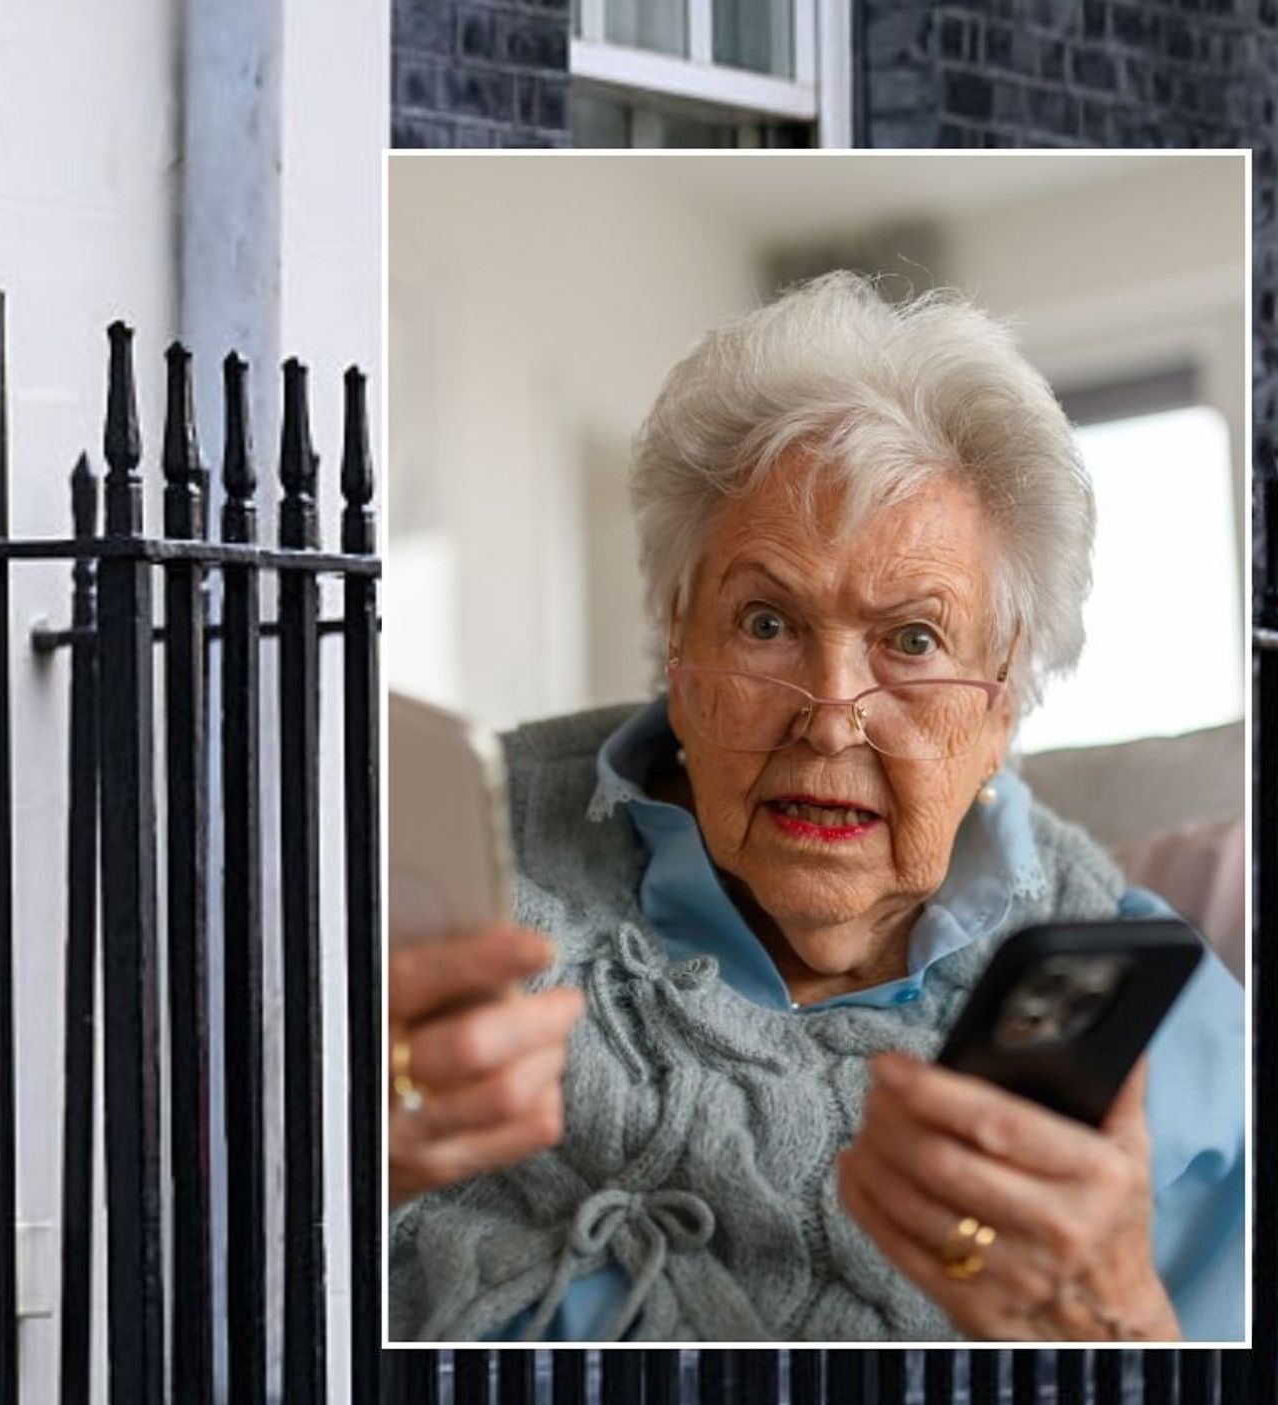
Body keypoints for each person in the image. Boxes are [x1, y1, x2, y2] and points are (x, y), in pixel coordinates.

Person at [387, 272, 1245, 1343]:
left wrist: (1118, 1328)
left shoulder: (1169, 1028)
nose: (830, 719)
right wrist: (325, 1171)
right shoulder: (441, 871)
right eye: (764, 623)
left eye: (913, 640)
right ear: (676, 636)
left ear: (1005, 695)